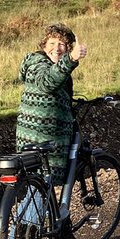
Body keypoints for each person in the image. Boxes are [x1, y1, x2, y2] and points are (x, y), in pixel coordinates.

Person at [16, 22, 87, 186]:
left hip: (46, 137)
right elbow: (46, 82)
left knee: (39, 190)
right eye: (52, 43)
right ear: (44, 45)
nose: (57, 48)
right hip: (41, 139)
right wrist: (71, 59)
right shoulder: (38, 63)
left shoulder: (56, 67)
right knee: (40, 188)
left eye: (62, 44)